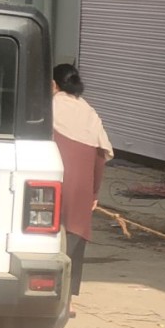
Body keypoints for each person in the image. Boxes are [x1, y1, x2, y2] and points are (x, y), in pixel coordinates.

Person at [51, 63, 113, 313]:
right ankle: (68, 299)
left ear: (54, 84)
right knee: (74, 240)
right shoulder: (90, 113)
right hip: (81, 189)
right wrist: (94, 193)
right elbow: (101, 156)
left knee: (48, 240)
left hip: (51, 182)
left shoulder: (48, 107)